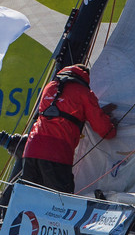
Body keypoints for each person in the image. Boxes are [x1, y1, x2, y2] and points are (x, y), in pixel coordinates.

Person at [18, 64, 116, 195]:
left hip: (31, 150)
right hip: (57, 154)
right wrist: (111, 127)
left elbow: (61, 112)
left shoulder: (50, 87)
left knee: (28, 199)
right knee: (58, 204)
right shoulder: (84, 93)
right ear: (85, 76)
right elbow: (104, 130)